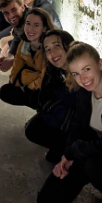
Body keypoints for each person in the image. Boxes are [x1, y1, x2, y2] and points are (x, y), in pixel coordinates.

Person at [37, 42, 102, 203]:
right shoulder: (85, 94)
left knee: (91, 164)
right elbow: (77, 126)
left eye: (87, 69)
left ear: (100, 64)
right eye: (76, 74)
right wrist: (66, 157)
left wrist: (74, 152)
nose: (83, 78)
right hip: (91, 153)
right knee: (46, 202)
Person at [24, 30, 77, 163]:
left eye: (57, 46)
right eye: (47, 49)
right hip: (60, 117)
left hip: (78, 126)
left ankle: (71, 153)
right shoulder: (53, 71)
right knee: (33, 127)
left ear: (68, 45)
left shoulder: (80, 70)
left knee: (34, 128)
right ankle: (61, 148)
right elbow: (43, 97)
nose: (52, 53)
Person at [0, 8, 54, 108]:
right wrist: (15, 82)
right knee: (5, 91)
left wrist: (27, 87)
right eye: (28, 23)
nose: (30, 29)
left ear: (44, 28)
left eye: (36, 25)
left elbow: (45, 77)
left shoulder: (49, 48)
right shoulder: (24, 43)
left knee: (37, 95)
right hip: (31, 84)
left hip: (48, 87)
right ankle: (41, 108)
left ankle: (47, 111)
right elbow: (17, 66)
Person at [0, 0, 26, 66]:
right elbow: (16, 38)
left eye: (14, 10)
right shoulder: (19, 21)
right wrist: (9, 56)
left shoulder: (30, 19)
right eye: (6, 13)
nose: (11, 16)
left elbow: (26, 41)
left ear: (22, 7)